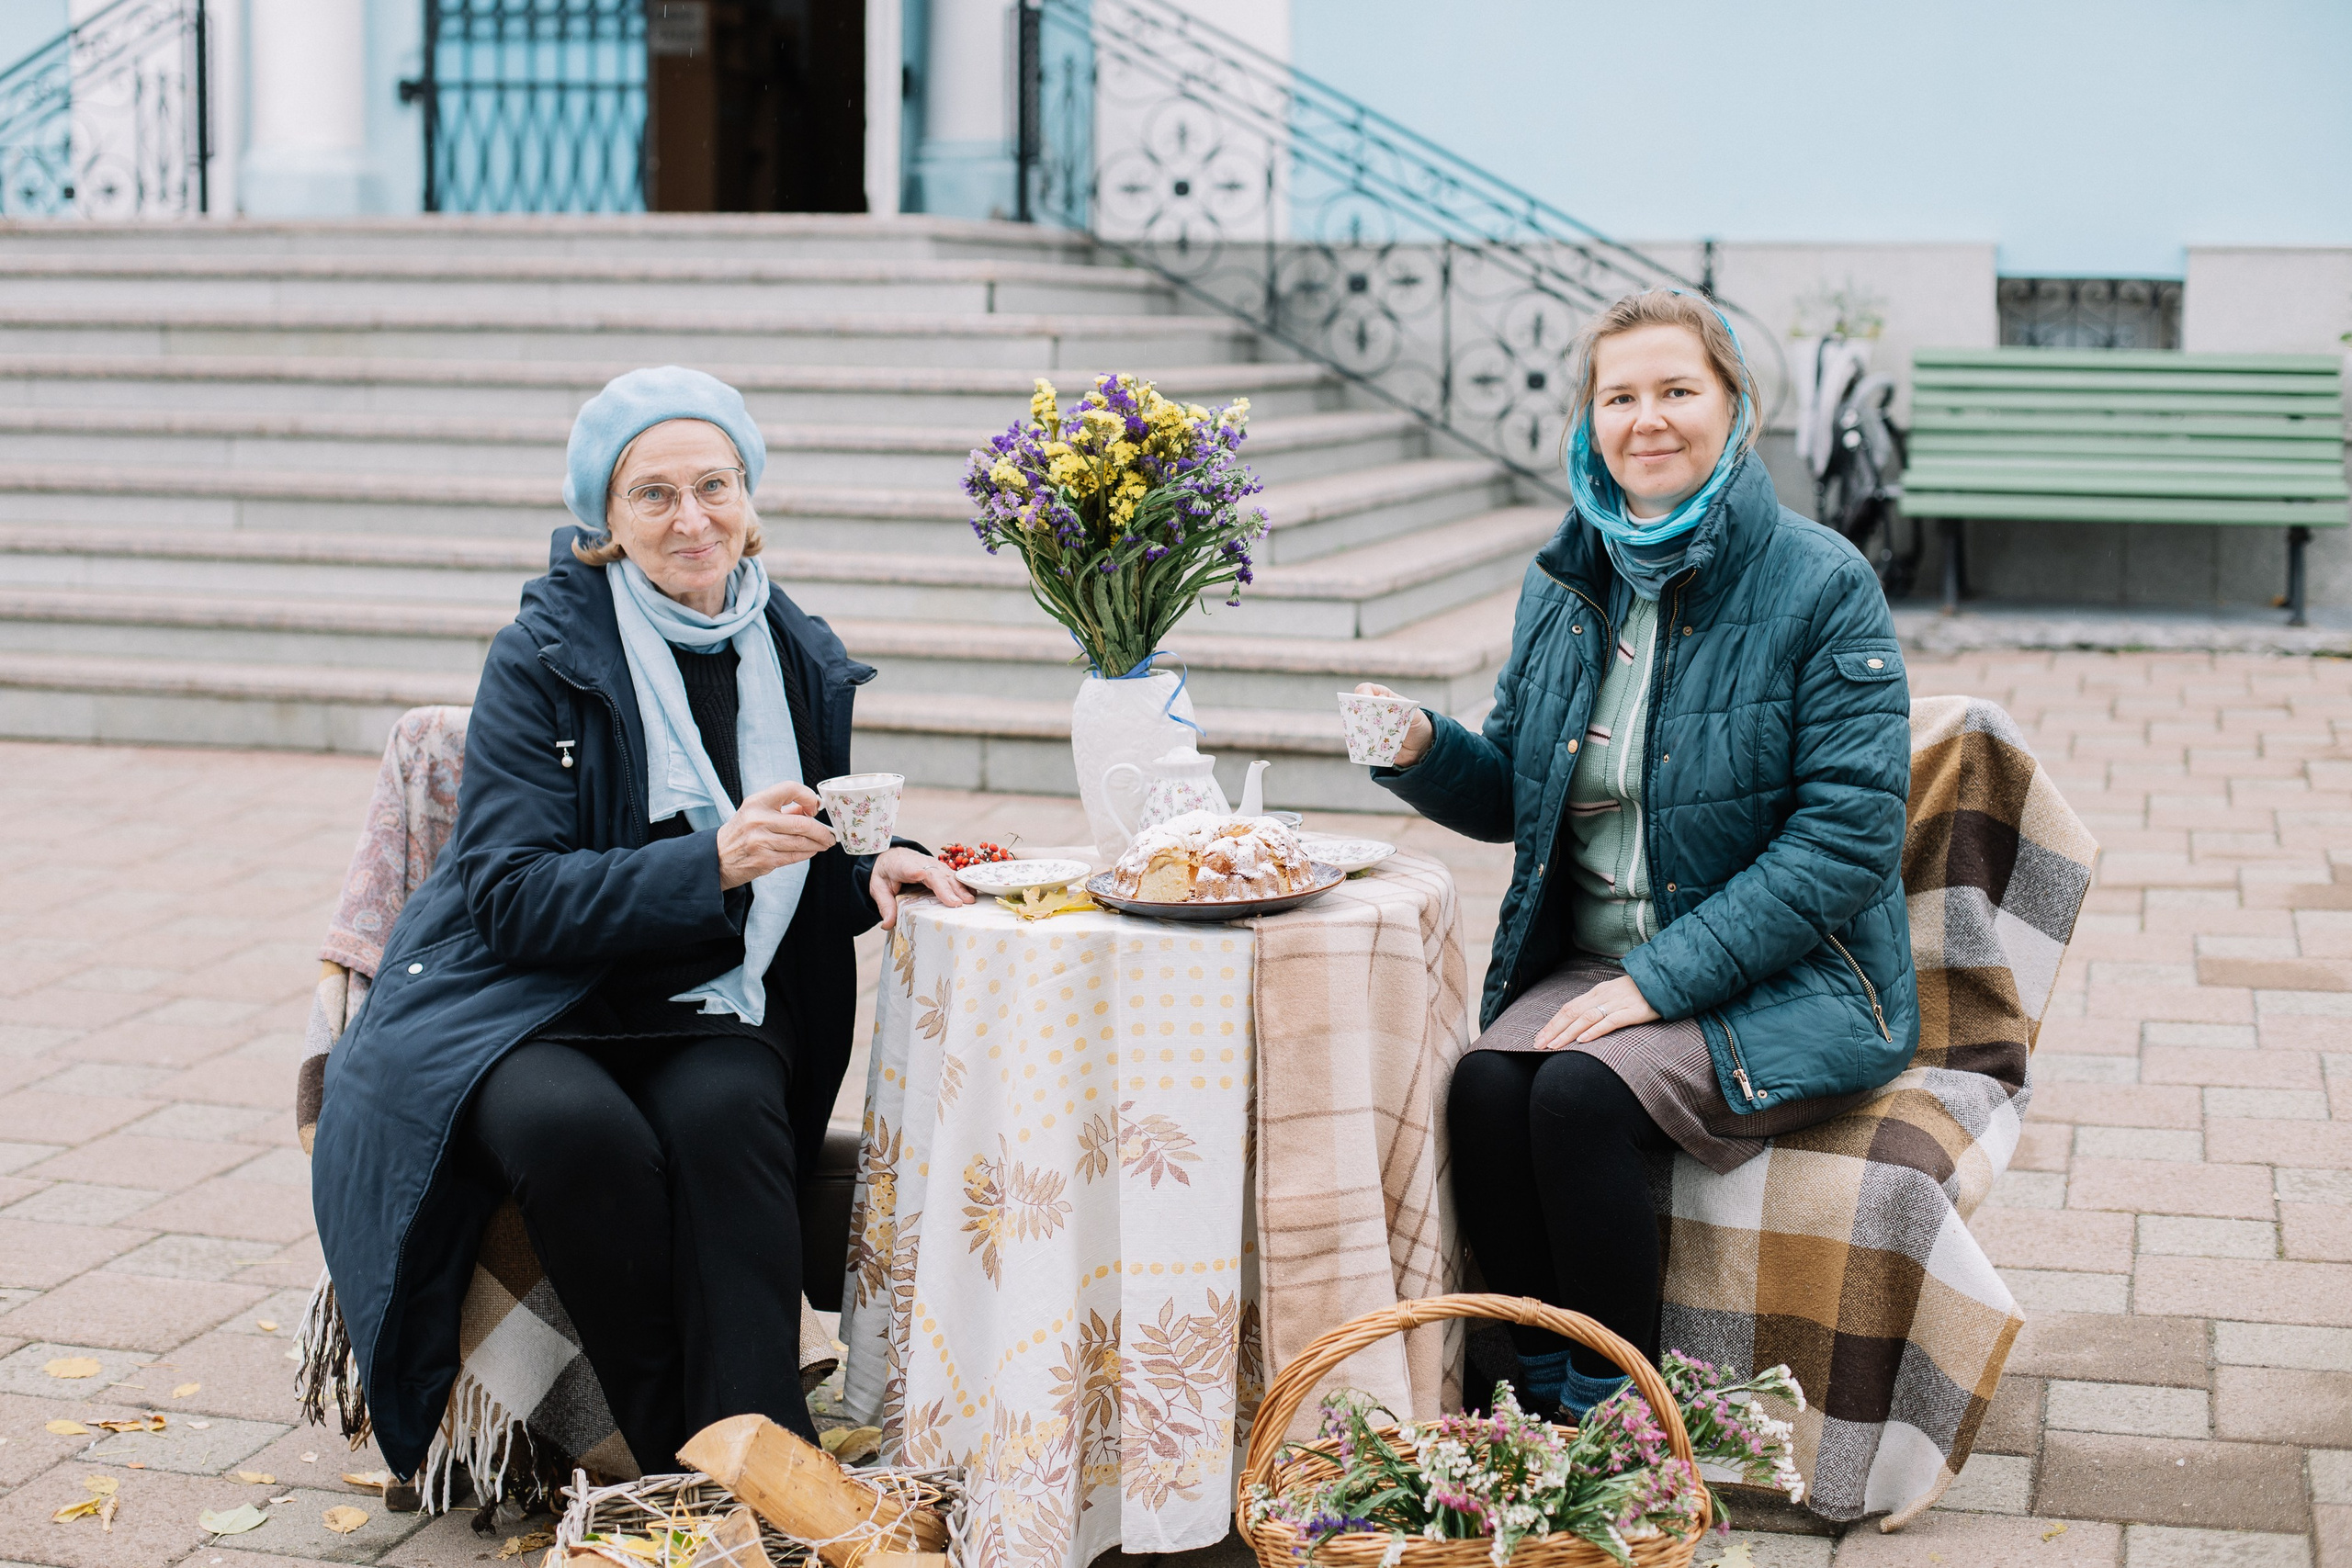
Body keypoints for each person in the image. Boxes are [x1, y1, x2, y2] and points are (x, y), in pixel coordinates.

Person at [310, 367, 973, 1483]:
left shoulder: (795, 652)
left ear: (749, 499)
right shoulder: (542, 655)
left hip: (711, 990)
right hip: (526, 999)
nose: (691, 519)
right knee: (580, 1134)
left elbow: (793, 848)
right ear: (607, 521)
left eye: (713, 486)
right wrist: (708, 863)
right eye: (652, 495)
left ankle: (773, 1462)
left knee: (729, 1117)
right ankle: (671, 1466)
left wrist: (874, 861)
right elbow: (510, 897)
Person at [1355, 290, 1916, 1417]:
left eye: (1675, 391)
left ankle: (1620, 1416)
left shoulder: (1820, 582)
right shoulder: (1566, 579)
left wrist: (1657, 983)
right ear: (1589, 421)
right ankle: (1527, 1411)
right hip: (1606, 964)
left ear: (1735, 408)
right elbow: (1520, 792)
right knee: (1482, 1090)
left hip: (1794, 977)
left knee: (1574, 1096)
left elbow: (1845, 839)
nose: (1645, 419)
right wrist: (1421, 750)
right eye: (1619, 397)